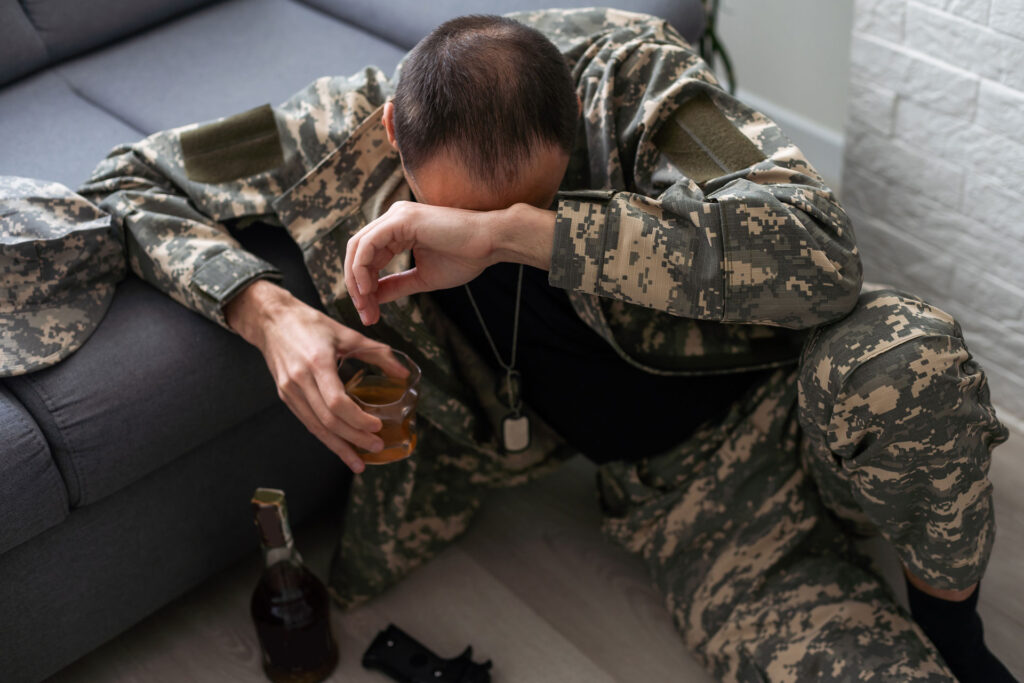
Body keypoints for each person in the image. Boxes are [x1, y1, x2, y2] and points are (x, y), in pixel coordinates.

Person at [78, 9, 1015, 682]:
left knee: (908, 358)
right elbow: (129, 176)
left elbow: (818, 253)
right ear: (395, 131)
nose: (471, 235)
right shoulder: (336, 127)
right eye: (451, 212)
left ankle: (957, 627)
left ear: (574, 127)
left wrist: (517, 237)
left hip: (799, 383)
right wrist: (266, 312)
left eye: (526, 199)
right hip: (692, 500)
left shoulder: (631, 75)